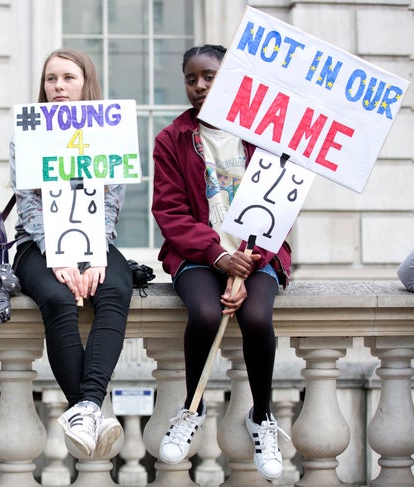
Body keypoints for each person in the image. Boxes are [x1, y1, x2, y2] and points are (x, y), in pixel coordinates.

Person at [151, 45, 291, 481]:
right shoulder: (171, 139)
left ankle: (262, 417)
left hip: (257, 254)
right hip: (198, 254)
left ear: (229, 78)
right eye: (191, 79)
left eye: (209, 77)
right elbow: (169, 212)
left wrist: (248, 262)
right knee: (207, 313)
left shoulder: (263, 135)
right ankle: (192, 408)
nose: (199, 87)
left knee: (256, 317)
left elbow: (281, 205)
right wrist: (219, 256)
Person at [10, 47, 133, 459]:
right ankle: (92, 407)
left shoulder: (108, 131)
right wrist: (58, 256)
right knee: (60, 297)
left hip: (95, 240)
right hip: (37, 244)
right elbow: (28, 203)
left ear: (86, 84)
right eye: (51, 79)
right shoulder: (26, 133)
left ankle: (85, 408)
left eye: (68, 78)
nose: (58, 86)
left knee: (115, 288)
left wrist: (96, 252)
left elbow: (112, 200)